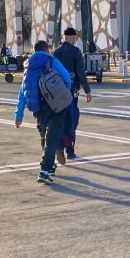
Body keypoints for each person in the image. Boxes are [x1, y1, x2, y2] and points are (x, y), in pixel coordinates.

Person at [15, 40, 72, 184]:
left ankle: (50, 165)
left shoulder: (28, 65)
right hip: (55, 104)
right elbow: (66, 77)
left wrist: (19, 113)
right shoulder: (51, 61)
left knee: (44, 135)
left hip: (38, 107)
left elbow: (23, 90)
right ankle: (45, 170)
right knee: (52, 137)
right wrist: (64, 91)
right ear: (47, 50)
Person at [53, 27, 92, 160]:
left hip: (56, 93)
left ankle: (58, 145)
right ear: (73, 38)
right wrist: (87, 91)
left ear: (63, 37)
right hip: (71, 93)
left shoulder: (55, 52)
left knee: (59, 119)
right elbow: (81, 73)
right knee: (72, 120)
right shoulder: (76, 52)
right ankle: (70, 150)